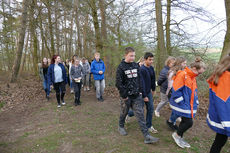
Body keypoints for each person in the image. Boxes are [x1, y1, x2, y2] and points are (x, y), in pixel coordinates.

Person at [116, 47, 159, 144]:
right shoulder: (121, 67)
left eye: (134, 55)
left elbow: (139, 79)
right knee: (124, 112)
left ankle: (147, 136)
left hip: (136, 96)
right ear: (125, 55)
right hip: (126, 97)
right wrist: (124, 96)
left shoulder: (135, 66)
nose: (133, 57)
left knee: (140, 115)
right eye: (131, 55)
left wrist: (140, 91)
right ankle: (121, 126)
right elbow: (118, 83)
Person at [171, 57, 206, 148]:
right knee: (189, 122)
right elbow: (176, 90)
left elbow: (193, 91)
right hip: (183, 104)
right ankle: (177, 135)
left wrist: (196, 101)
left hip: (188, 104)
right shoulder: (183, 75)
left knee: (185, 121)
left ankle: (180, 136)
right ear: (194, 69)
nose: (199, 74)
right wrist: (182, 103)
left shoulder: (192, 77)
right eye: (199, 72)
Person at [206, 55, 230, 153]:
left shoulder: (220, 75)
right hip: (225, 118)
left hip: (220, 117)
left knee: (219, 141)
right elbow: (223, 103)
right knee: (219, 142)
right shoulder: (226, 78)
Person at [166, 57, 187, 131]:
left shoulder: (182, 71)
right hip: (173, 93)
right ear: (179, 63)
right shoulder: (173, 72)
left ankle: (172, 121)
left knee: (176, 109)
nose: (185, 65)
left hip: (178, 93)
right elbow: (172, 85)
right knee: (178, 109)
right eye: (184, 63)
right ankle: (171, 121)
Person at [140, 52, 158, 133]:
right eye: (150, 60)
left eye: (152, 60)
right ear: (145, 60)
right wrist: (144, 96)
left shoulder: (151, 68)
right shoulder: (142, 70)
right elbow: (141, 84)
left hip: (149, 92)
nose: (151, 61)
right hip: (141, 93)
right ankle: (128, 114)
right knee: (138, 110)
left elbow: (153, 79)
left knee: (150, 108)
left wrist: (153, 89)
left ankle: (149, 125)